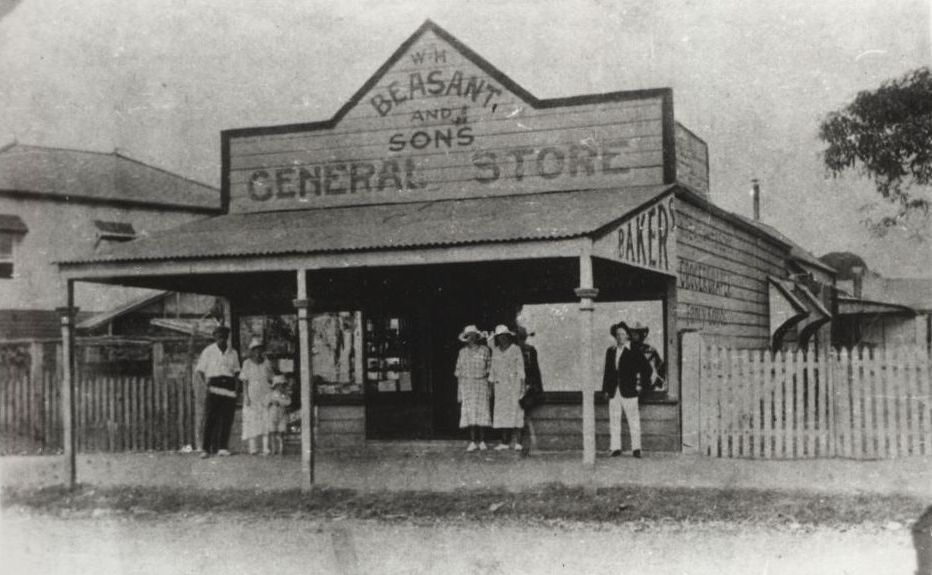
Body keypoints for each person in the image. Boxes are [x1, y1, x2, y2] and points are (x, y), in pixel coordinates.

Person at [601, 321, 652, 459]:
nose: (620, 337)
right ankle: (615, 447)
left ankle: (636, 449)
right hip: (614, 391)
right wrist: (606, 389)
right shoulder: (610, 351)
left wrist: (640, 385)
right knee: (614, 419)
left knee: (633, 420)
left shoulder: (634, 351)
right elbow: (607, 372)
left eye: (623, 334)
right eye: (617, 334)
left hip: (629, 391)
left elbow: (647, 369)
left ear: (627, 336)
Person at [195, 325, 240, 458]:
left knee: (227, 417)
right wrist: (207, 384)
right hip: (214, 384)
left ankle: (222, 447)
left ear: (227, 337)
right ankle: (205, 449)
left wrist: (236, 387)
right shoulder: (208, 351)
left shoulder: (233, 352)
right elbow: (200, 371)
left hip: (229, 384)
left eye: (224, 337)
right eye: (219, 337)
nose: (221, 340)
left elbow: (237, 371)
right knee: (211, 417)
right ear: (214, 337)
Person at [454, 324, 492, 452]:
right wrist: (459, 391)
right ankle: (472, 441)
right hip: (467, 384)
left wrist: (489, 387)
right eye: (468, 336)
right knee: (470, 413)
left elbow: (490, 369)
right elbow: (459, 372)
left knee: (482, 412)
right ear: (466, 337)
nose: (471, 338)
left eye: (473, 336)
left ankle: (482, 440)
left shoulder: (485, 350)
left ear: (477, 337)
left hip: (481, 383)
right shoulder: (462, 352)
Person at [489, 324, 525, 451]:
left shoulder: (515, 349)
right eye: (499, 337)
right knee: (503, 413)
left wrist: (522, 387)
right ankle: (504, 442)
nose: (502, 339)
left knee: (516, 412)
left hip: (514, 385)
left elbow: (521, 369)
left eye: (504, 336)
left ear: (508, 336)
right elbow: (492, 370)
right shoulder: (495, 351)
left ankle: (518, 442)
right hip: (500, 386)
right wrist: (492, 387)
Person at [239, 337, 274, 455]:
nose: (258, 352)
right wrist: (246, 397)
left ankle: (266, 448)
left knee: (266, 419)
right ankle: (253, 448)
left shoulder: (267, 363)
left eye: (260, 349)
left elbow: (272, 379)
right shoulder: (247, 363)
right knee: (251, 420)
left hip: (265, 394)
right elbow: (244, 381)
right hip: (252, 395)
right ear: (252, 351)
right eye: (255, 350)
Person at [516, 326, 543, 456]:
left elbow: (534, 370)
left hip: (526, 386)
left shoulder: (529, 351)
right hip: (516, 385)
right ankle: (520, 444)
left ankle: (524, 445)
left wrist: (535, 387)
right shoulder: (514, 351)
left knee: (524, 416)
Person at [628, 322, 665, 392]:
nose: (634, 335)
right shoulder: (626, 351)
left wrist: (657, 381)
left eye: (637, 332)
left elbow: (661, 369)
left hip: (648, 389)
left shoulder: (651, 351)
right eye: (633, 333)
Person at [267, 374, 292, 455]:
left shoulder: (285, 395)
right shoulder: (271, 394)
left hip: (282, 414)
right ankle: (274, 449)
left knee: (281, 431)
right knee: (272, 432)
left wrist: (281, 402)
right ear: (276, 386)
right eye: (280, 385)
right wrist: (271, 402)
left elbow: (288, 402)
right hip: (273, 414)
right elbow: (265, 402)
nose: (281, 387)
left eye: (283, 385)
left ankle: (281, 449)